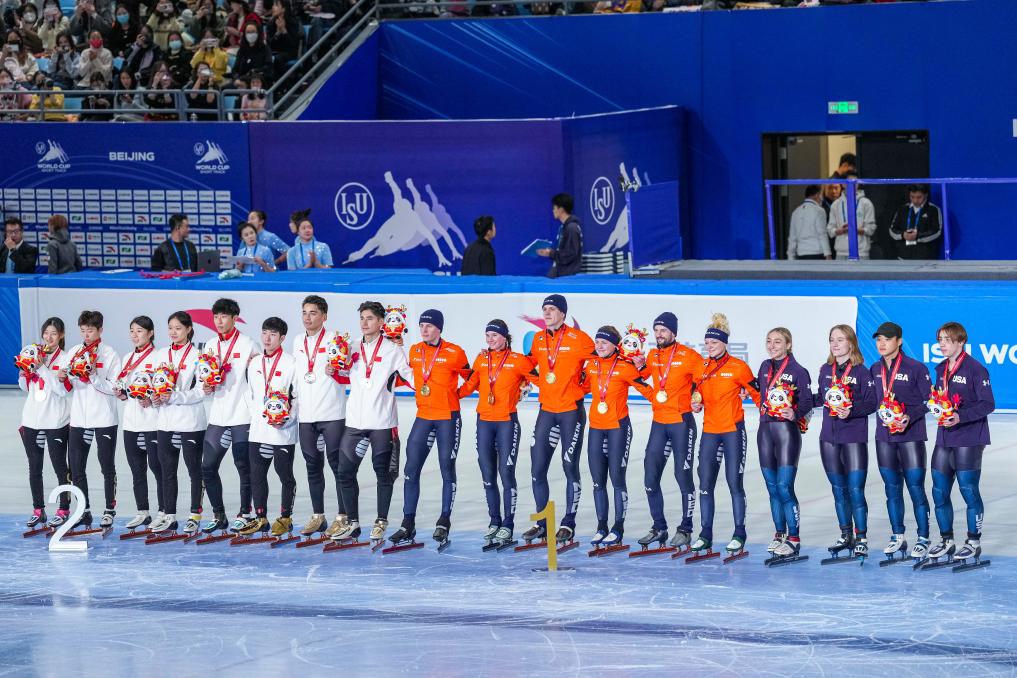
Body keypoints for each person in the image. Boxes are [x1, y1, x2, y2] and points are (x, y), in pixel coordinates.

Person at [331, 301, 414, 543]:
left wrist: (431, 388)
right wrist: (332, 370)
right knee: (344, 472)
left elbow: (410, 377)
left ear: (380, 322)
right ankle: (353, 523)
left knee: (383, 474)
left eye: (369, 318)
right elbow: (343, 375)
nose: (364, 323)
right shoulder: (351, 347)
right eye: (362, 318)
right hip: (355, 422)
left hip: (382, 423)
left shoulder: (392, 350)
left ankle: (380, 521)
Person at [389, 310, 470, 548]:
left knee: (446, 467)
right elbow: (407, 376)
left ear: (439, 328)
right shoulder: (415, 351)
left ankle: (444, 520)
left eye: (429, 326)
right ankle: (408, 523)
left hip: (447, 418)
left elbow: (473, 378)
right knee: (410, 469)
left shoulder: (455, 352)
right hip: (423, 416)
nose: (424, 330)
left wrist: (457, 394)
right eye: (421, 325)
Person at [521, 294, 595, 546]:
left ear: (563, 313)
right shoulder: (538, 339)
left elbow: (598, 366)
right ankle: (542, 522)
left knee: (569, 466)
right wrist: (539, 382)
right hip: (547, 411)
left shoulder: (579, 339)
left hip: (570, 411)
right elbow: (527, 364)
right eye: (544, 309)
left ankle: (568, 523)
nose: (547, 313)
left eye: (552, 309)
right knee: (537, 468)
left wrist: (581, 388)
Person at [457, 319, 535, 547]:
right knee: (488, 474)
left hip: (506, 423)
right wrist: (446, 394)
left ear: (505, 337)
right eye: (487, 335)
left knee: (506, 473)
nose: (490, 339)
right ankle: (495, 521)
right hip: (484, 422)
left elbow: (539, 379)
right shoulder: (482, 359)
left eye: (494, 335)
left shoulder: (518, 360)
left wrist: (526, 387)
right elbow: (470, 385)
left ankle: (508, 524)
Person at [631, 311, 704, 550]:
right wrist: (639, 368)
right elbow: (641, 376)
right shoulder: (653, 355)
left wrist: (698, 398)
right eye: (656, 330)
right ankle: (659, 527)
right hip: (659, 422)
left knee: (682, 475)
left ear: (673, 332)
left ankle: (685, 529)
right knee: (650, 476)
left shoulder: (689, 356)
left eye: (663, 330)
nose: (659, 334)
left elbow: (703, 381)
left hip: (681, 422)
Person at [689, 313, 760, 556]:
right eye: (707, 343)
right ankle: (705, 534)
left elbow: (758, 393)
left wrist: (771, 418)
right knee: (705, 484)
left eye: (714, 343)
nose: (710, 347)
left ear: (725, 343)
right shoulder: (701, 367)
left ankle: (739, 533)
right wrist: (695, 404)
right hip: (710, 431)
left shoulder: (739, 367)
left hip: (732, 431)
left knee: (734, 483)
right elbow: (695, 394)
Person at [928, 321, 995, 566]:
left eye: (947, 340)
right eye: (940, 340)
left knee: (968, 490)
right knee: (939, 491)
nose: (942, 344)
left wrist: (960, 416)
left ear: (961, 341)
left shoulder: (976, 369)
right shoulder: (940, 369)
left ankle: (973, 542)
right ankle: (947, 540)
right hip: (945, 437)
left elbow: (988, 404)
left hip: (969, 437)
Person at [582, 325, 652, 547]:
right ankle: (601, 526)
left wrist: (671, 402)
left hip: (618, 428)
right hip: (596, 427)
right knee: (597, 481)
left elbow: (647, 390)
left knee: (617, 479)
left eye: (604, 342)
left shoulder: (625, 367)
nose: (599, 346)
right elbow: (580, 387)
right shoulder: (591, 365)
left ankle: (618, 528)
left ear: (616, 345)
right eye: (597, 342)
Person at [869, 321, 933, 561]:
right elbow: (870, 401)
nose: (882, 343)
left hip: (910, 437)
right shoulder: (874, 368)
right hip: (884, 438)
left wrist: (909, 417)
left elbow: (930, 400)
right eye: (879, 339)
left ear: (899, 341)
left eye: (887, 339)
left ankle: (923, 538)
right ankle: (897, 536)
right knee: (892, 489)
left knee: (916, 488)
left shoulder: (916, 368)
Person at [817, 324, 878, 558]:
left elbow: (872, 403)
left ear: (851, 343)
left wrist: (851, 411)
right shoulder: (825, 369)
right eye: (832, 339)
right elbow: (820, 398)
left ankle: (861, 537)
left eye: (840, 339)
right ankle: (845, 534)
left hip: (853, 438)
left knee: (855, 490)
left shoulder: (862, 372)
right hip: (828, 439)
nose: (835, 344)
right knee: (838, 489)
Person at [292, 295, 350, 538]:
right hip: (306, 416)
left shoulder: (336, 339)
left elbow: (350, 369)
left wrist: (340, 369)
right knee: (312, 466)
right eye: (304, 312)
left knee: (338, 466)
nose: (308, 317)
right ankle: (318, 516)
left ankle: (343, 516)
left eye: (313, 313)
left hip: (332, 414)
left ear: (324, 316)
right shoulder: (297, 341)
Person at [199, 298, 258, 535]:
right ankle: (219, 515)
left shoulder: (248, 344)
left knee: (243, 466)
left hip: (242, 415)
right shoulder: (210, 344)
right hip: (218, 415)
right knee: (208, 467)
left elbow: (259, 378)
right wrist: (206, 386)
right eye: (216, 317)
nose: (219, 321)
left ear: (235, 318)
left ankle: (245, 514)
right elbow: (205, 375)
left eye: (224, 316)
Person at [59, 310, 122, 530]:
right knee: (76, 468)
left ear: (100, 330)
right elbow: (66, 387)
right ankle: (83, 511)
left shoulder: (110, 354)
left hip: (104, 418)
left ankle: (109, 510)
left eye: (91, 330)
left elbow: (115, 387)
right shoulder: (74, 352)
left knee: (107, 466)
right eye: (83, 330)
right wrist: (62, 379)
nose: (86, 334)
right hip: (79, 419)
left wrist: (93, 376)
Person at [238, 317, 299, 537]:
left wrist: (287, 419)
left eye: (273, 334)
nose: (267, 338)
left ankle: (285, 518)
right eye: (264, 333)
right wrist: (255, 416)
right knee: (257, 475)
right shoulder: (254, 363)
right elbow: (250, 394)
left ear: (282, 338)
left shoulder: (291, 363)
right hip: (258, 430)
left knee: (284, 474)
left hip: (282, 431)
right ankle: (261, 518)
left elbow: (297, 397)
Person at [756, 326, 813, 561]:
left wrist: (795, 413)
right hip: (765, 430)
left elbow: (808, 401)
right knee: (771, 487)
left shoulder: (799, 371)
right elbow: (760, 391)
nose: (772, 346)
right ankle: (780, 534)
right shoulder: (764, 367)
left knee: (784, 487)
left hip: (786, 433)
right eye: (769, 341)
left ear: (788, 345)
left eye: (777, 342)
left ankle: (794, 539)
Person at [151, 311, 207, 535]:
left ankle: (194, 515)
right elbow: (155, 384)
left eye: (178, 328)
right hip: (165, 421)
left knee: (194, 470)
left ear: (189, 329)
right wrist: (155, 399)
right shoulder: (161, 354)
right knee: (167, 471)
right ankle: (169, 515)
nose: (173, 332)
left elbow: (201, 391)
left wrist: (175, 396)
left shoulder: (198, 355)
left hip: (190, 422)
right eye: (170, 328)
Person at [17, 317, 71, 530]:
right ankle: (38, 510)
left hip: (55, 421)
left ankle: (64, 509)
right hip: (32, 419)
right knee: (34, 467)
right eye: (46, 333)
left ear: (61, 335)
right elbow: (25, 387)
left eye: (54, 333)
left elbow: (61, 390)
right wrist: (25, 373)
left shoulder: (65, 358)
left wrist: (42, 369)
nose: (49, 337)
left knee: (60, 467)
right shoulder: (33, 353)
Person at [112, 316, 162, 532]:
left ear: (151, 333)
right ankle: (143, 512)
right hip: (131, 423)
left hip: (152, 422)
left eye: (140, 331)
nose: (135, 335)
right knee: (137, 470)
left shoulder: (159, 357)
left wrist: (152, 398)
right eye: (132, 331)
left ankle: (163, 512)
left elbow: (163, 387)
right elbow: (125, 389)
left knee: (158, 469)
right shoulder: (127, 358)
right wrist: (121, 394)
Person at [827, 171, 876, 259]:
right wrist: (841, 230)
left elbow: (871, 229)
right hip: (841, 253)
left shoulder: (866, 203)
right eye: (850, 182)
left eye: (856, 182)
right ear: (843, 184)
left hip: (861, 253)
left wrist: (855, 229)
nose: (854, 185)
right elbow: (830, 230)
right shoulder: (836, 204)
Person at [888, 184, 942, 260]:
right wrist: (903, 235)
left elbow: (937, 231)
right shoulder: (902, 209)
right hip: (903, 257)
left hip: (925, 258)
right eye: (912, 197)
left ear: (926, 195)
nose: (915, 200)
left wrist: (917, 236)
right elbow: (892, 229)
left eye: (919, 197)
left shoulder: (933, 210)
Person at [536, 194, 582, 278]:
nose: (552, 211)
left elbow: (570, 254)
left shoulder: (571, 228)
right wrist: (550, 253)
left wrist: (551, 254)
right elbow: (565, 251)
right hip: (561, 273)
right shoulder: (564, 227)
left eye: (554, 208)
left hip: (566, 277)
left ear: (561, 209)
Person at [786, 185, 831, 260]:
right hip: (817, 252)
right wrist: (828, 254)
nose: (822, 198)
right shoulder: (819, 210)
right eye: (821, 195)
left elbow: (792, 237)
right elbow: (822, 233)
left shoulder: (796, 212)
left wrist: (790, 257)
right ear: (817, 195)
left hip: (801, 253)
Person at [233, 19, 271, 84]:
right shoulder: (242, 50)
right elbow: (235, 69)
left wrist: (255, 71)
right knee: (225, 88)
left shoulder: (265, 49)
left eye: (253, 32)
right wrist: (236, 79)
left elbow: (268, 67)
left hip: (257, 81)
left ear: (258, 33)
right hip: (241, 80)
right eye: (248, 32)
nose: (250, 34)